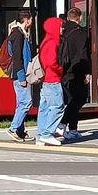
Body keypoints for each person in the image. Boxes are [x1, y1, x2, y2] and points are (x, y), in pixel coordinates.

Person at [58, 7, 90, 140]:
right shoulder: (81, 33)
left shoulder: (62, 31)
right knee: (80, 98)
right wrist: (87, 72)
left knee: (72, 100)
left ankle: (73, 130)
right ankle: (62, 123)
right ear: (80, 18)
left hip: (63, 71)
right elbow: (83, 55)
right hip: (76, 71)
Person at [6, 10, 34, 143]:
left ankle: (20, 131)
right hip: (20, 75)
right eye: (31, 20)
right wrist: (22, 77)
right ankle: (13, 128)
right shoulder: (19, 35)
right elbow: (17, 58)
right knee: (26, 102)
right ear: (27, 20)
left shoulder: (17, 33)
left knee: (21, 103)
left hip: (19, 74)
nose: (32, 22)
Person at [36, 16, 64, 146]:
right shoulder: (53, 42)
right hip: (53, 79)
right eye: (60, 26)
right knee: (58, 107)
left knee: (44, 108)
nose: (62, 29)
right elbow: (52, 62)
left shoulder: (45, 41)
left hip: (46, 80)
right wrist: (60, 69)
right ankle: (47, 134)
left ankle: (40, 135)